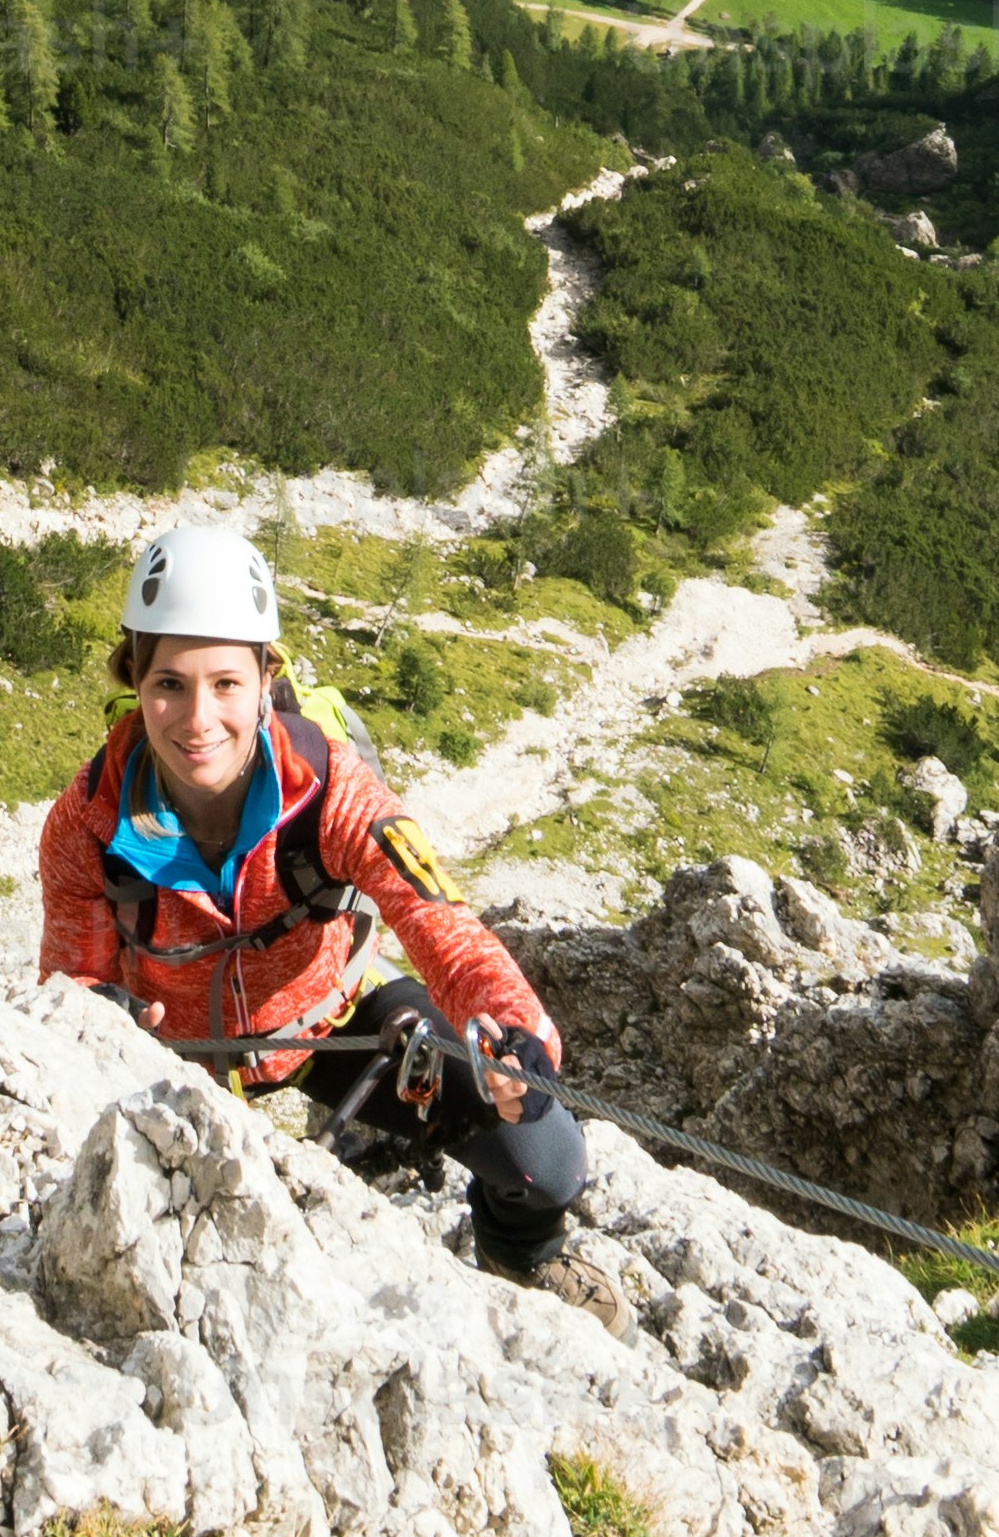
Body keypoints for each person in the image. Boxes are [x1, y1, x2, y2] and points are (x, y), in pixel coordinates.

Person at [37, 512, 588, 1280]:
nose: (198, 721)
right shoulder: (86, 825)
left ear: (268, 681)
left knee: (546, 1159)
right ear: (135, 682)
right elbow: (67, 987)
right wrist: (103, 1019)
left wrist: (517, 1037)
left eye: (226, 684)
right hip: (171, 1063)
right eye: (169, 685)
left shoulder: (329, 791)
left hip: (330, 1031)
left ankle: (518, 1254)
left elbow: (440, 924)